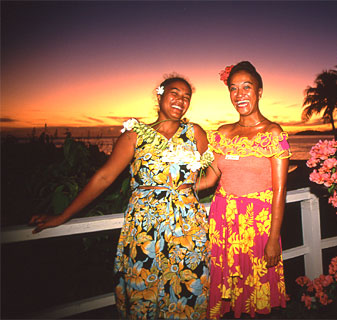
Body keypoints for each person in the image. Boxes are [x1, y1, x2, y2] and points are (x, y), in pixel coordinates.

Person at [29, 75, 213, 319]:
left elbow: (211, 174)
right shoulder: (134, 136)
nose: (181, 100)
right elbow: (104, 178)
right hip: (145, 228)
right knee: (144, 293)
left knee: (188, 293)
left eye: (186, 97)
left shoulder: (195, 133)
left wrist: (184, 190)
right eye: (175, 93)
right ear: (159, 95)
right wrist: (63, 215)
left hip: (188, 228)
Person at [198, 61, 290, 319]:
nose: (240, 95)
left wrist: (274, 238)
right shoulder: (223, 134)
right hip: (223, 223)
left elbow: (280, 190)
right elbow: (209, 179)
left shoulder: (273, 133)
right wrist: (173, 185)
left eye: (246, 87)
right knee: (226, 292)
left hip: (257, 225)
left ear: (259, 91)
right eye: (233, 88)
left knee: (255, 294)